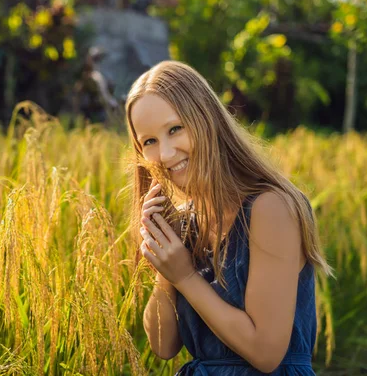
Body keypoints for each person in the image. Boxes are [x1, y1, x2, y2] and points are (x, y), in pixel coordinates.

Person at [124, 60, 333, 375]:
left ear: (206, 120)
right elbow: (164, 345)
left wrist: (185, 277)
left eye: (175, 129)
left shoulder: (270, 208)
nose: (165, 154)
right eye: (149, 142)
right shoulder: (186, 223)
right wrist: (164, 258)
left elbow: (266, 354)